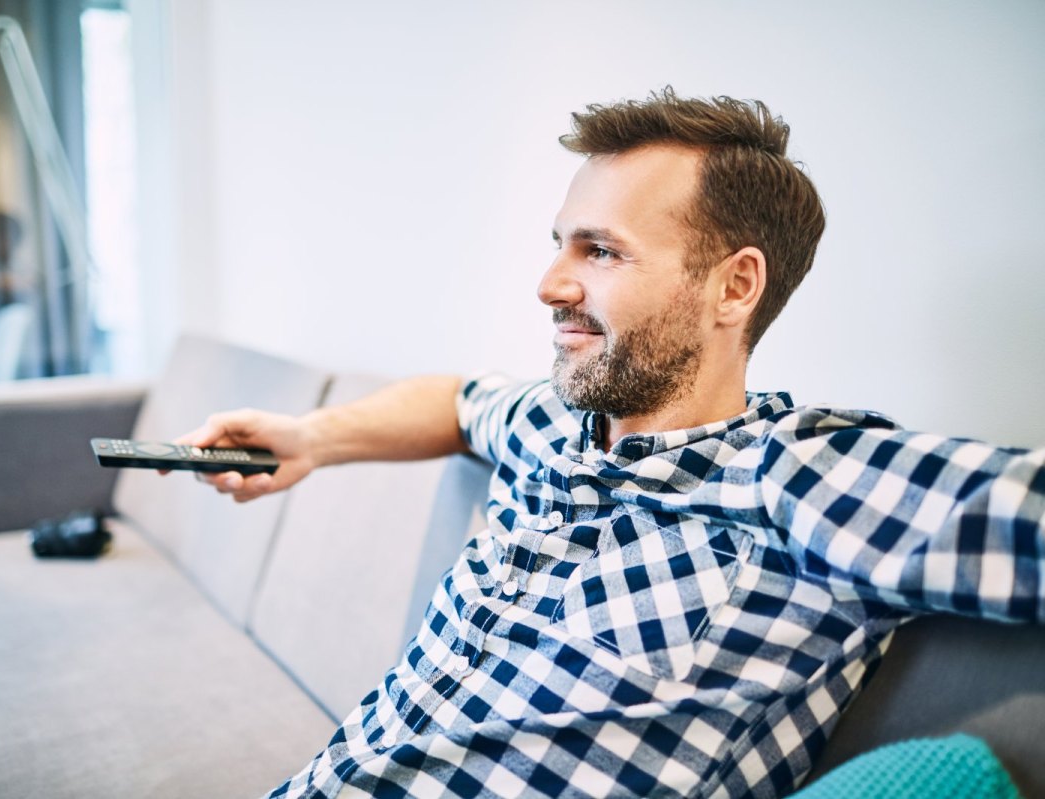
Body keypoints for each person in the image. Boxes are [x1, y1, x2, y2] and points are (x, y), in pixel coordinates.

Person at [173, 88, 1045, 797]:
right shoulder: (552, 422)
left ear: (734, 285)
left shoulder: (801, 477)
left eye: (600, 252)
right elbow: (453, 400)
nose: (550, 284)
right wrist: (310, 437)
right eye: (560, 244)